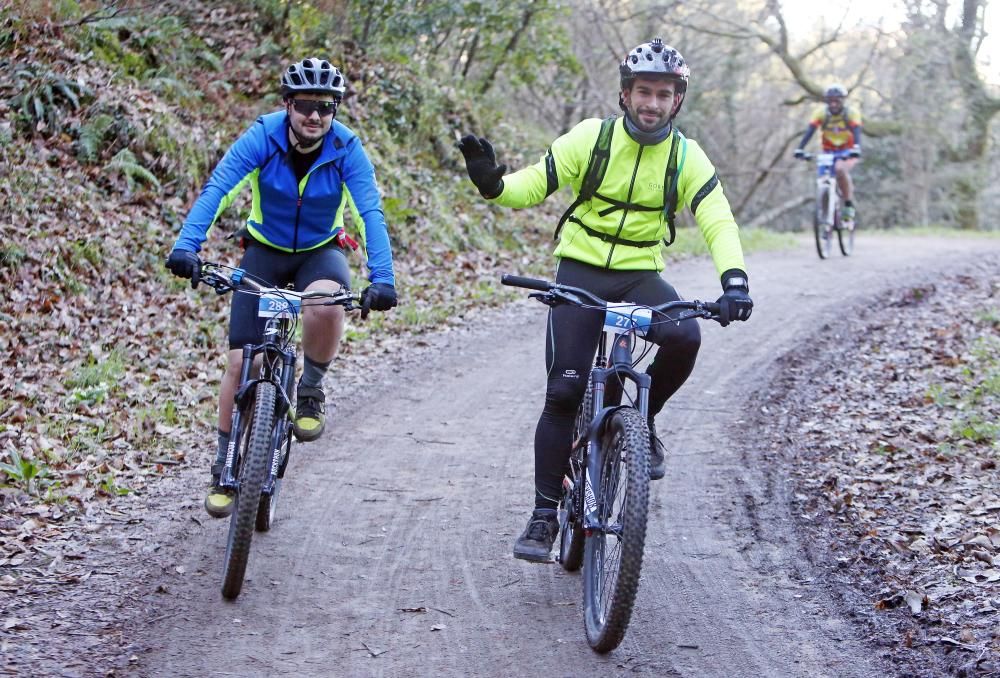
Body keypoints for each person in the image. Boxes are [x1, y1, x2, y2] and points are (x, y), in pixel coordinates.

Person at [458, 38, 753, 562]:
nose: (653, 103)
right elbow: (535, 183)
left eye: (665, 94)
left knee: (685, 333)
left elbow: (717, 219)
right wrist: (493, 186)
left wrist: (734, 281)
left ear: (677, 101)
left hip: (640, 273)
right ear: (625, 94)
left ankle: (645, 420)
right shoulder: (591, 139)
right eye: (644, 91)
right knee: (564, 392)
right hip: (580, 271)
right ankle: (544, 514)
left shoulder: (686, 156)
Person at [166, 57, 398, 518]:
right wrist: (186, 246)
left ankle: (310, 388)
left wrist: (383, 278)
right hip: (265, 250)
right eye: (307, 105)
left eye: (326, 107)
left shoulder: (347, 148)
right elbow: (219, 188)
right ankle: (224, 467)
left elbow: (370, 214)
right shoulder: (262, 136)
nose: (316, 115)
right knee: (239, 361)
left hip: (320, 250)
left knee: (327, 305)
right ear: (288, 104)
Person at [793, 83, 863, 221]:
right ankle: (826, 218)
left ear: (843, 101)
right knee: (823, 178)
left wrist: (856, 148)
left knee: (840, 170)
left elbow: (857, 132)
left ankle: (848, 204)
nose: (834, 104)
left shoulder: (851, 114)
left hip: (847, 150)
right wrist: (800, 148)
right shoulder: (821, 113)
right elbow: (810, 131)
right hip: (828, 151)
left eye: (837, 100)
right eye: (831, 101)